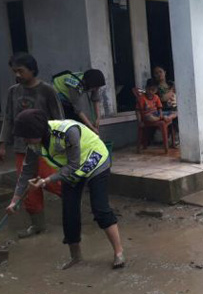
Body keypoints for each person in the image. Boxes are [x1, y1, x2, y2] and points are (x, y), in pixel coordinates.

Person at [5, 109, 125, 270]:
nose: (25, 140)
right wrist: (14, 201)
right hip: (72, 170)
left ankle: (118, 252)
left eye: (27, 136)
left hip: (95, 161)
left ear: (38, 131)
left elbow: (74, 165)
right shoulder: (34, 144)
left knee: (100, 209)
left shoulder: (68, 132)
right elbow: (26, 172)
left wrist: (46, 180)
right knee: (69, 211)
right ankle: (75, 257)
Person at [0, 53, 64, 238]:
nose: (17, 75)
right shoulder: (13, 91)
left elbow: (59, 118)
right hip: (22, 148)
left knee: (53, 182)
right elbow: (9, 118)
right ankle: (37, 224)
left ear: (32, 70)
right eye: (14, 71)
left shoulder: (47, 90)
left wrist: (59, 145)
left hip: (44, 147)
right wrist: (2, 144)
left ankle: (76, 205)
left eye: (21, 70)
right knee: (28, 187)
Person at [52, 69, 106, 134]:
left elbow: (96, 99)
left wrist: (98, 118)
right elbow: (78, 110)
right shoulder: (75, 85)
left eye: (98, 87)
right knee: (73, 122)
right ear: (89, 84)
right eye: (96, 87)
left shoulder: (92, 82)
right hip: (56, 95)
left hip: (68, 97)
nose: (97, 89)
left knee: (82, 123)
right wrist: (92, 128)